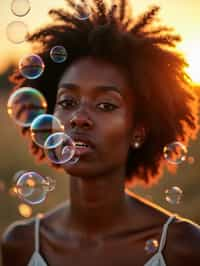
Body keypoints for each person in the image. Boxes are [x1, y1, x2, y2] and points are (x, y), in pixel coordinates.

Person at [1, 0, 200, 265]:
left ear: (138, 131)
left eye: (106, 104)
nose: (79, 119)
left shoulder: (183, 246)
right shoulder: (20, 244)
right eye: (67, 102)